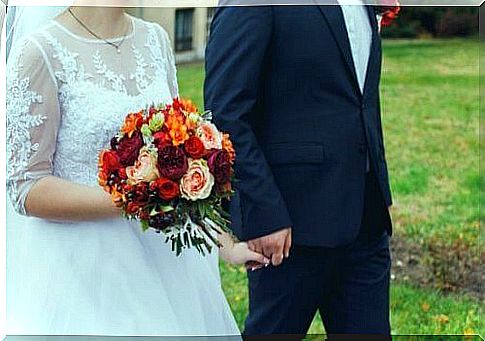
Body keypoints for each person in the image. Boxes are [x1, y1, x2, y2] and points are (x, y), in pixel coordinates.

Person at [6, 3, 266, 335]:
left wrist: (226, 245)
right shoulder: (40, 51)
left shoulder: (155, 40)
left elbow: (179, 162)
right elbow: (27, 187)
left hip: (168, 266)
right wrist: (137, 199)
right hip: (81, 273)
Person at [205, 2, 393, 337]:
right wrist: (263, 212)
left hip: (366, 220)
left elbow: (358, 98)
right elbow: (226, 112)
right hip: (289, 227)